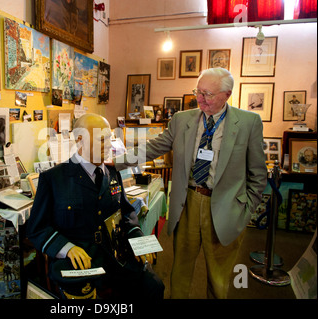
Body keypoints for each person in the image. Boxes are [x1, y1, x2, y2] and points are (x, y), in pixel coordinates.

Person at [114, 67, 267, 299]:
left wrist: (245, 212)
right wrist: (112, 163)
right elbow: (152, 147)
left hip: (226, 208)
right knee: (181, 270)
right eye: (199, 91)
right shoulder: (181, 119)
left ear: (227, 94)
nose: (200, 98)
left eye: (208, 94)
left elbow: (258, 174)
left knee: (218, 277)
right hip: (187, 202)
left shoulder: (249, 123)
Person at [26, 113, 164, 299]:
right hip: (80, 262)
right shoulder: (54, 179)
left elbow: (126, 212)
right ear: (80, 140)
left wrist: (138, 238)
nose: (108, 145)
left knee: (154, 286)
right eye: (101, 139)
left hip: (115, 255)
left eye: (109, 138)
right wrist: (67, 248)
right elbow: (37, 228)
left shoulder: (112, 173)